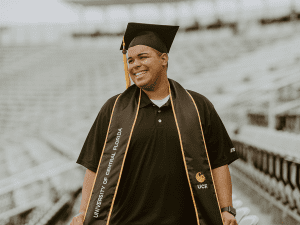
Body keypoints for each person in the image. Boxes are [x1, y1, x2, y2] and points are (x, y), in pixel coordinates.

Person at [71, 22, 239, 225]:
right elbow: (94, 167)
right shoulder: (114, 109)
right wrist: (83, 212)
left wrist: (226, 209)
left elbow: (218, 162)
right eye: (130, 60)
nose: (134, 65)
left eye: (143, 57)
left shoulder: (197, 106)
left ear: (164, 59)